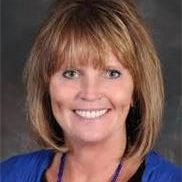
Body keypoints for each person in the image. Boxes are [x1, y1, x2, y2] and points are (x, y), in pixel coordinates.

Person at [0, 0, 181, 181]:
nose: (90, 93)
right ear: (46, 86)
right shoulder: (8, 175)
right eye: (71, 73)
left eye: (111, 73)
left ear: (136, 89)